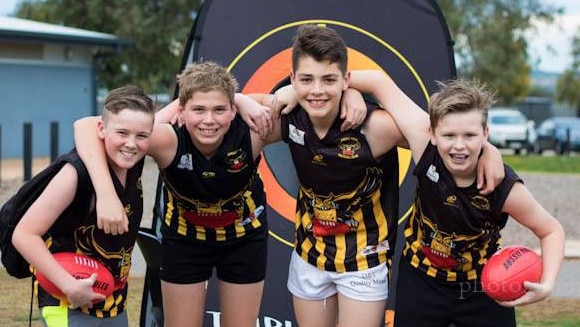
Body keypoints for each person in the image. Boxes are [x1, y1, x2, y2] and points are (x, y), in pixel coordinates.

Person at [73, 61, 368, 327]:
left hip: (243, 238)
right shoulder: (166, 139)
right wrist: (106, 194)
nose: (209, 120)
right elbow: (86, 126)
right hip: (185, 239)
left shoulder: (255, 128)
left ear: (232, 111)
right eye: (198, 110)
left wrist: (351, 93)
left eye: (219, 110)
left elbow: (313, 101)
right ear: (181, 111)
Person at [247, 25, 506, 327]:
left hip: (364, 262)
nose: (317, 90)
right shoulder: (290, 114)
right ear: (293, 80)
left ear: (344, 79)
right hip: (309, 256)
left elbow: (442, 138)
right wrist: (276, 95)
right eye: (306, 80)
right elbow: (227, 109)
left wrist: (488, 149)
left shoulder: (376, 127)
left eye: (329, 80)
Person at [349, 74, 566, 327]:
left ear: (486, 134)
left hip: (482, 285)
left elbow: (551, 230)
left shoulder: (503, 186)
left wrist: (548, 283)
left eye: (470, 136)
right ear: (432, 133)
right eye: (449, 135)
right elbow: (377, 81)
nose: (459, 146)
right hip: (422, 280)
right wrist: (349, 93)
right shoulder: (423, 144)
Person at [11, 85, 156, 327]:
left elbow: (187, 105)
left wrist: (239, 101)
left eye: (142, 136)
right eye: (122, 133)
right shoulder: (75, 175)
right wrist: (69, 286)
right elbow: (24, 235)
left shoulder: (133, 164)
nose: (131, 143)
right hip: (68, 302)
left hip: (113, 303)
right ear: (101, 128)